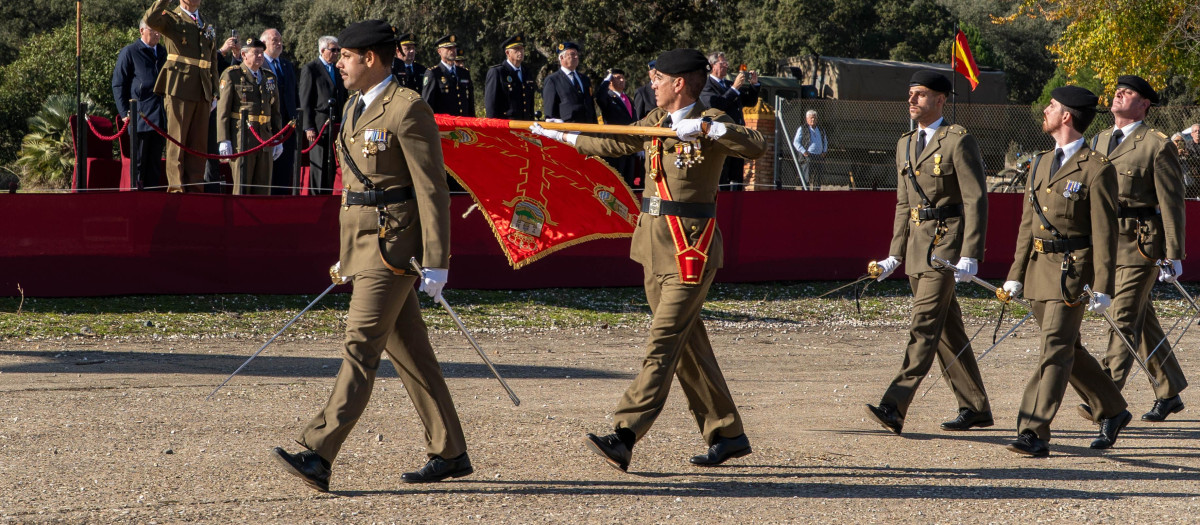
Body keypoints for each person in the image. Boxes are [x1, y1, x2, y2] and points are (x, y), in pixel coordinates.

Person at [530, 48, 765, 472]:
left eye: (657, 78)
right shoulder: (656, 122)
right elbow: (615, 140)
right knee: (687, 345)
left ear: (679, 83)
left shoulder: (713, 117)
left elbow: (754, 145)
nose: (650, 84)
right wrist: (557, 134)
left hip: (691, 250)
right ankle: (727, 433)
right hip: (653, 247)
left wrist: (708, 129)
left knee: (661, 345)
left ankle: (624, 435)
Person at [272, 19, 469, 492]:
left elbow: (432, 190)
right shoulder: (353, 107)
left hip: (394, 249)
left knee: (360, 345)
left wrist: (438, 260)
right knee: (412, 354)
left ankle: (319, 453)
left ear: (371, 59)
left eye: (346, 56)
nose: (338, 63)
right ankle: (450, 450)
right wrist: (345, 255)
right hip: (363, 246)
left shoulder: (408, 108)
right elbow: (353, 193)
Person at [1001, 85, 1132, 457]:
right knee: (1067, 347)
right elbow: (1028, 224)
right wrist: (1014, 273)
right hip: (1038, 270)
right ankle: (1113, 408)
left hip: (1071, 274)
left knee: (1054, 350)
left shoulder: (1096, 168)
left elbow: (1105, 233)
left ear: (1067, 116)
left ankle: (1033, 430)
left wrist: (1103, 285)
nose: (1045, 109)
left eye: (1052, 106)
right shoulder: (1041, 162)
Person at [864, 71, 993, 436]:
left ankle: (894, 405)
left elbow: (975, 198)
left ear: (940, 99)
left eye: (920, 95)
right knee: (947, 331)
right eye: (910, 94)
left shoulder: (957, 140)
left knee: (923, 327)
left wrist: (971, 252)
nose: (912, 101)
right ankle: (975, 406)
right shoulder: (905, 143)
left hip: (947, 246)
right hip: (919, 249)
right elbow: (904, 203)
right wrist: (894, 254)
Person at [1078, 75, 1188, 422]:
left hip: (1140, 243)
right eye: (1118, 91)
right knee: (1142, 320)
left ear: (1144, 105)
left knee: (1121, 319)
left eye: (1129, 93)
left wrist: (1174, 253)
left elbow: (1173, 203)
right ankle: (1168, 388)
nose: (1119, 94)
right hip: (1106, 242)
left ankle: (1105, 399)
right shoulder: (1098, 140)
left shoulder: (1155, 144)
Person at [144, 0, 224, 192]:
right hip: (179, 85)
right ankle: (177, 190)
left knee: (198, 145)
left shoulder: (206, 23)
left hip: (202, 88)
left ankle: (195, 189)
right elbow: (150, 19)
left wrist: (214, 90)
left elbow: (211, 59)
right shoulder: (171, 17)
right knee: (177, 142)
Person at [216, 38, 282, 195]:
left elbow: (275, 110)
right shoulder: (232, 75)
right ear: (244, 55)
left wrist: (278, 138)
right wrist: (224, 139)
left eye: (261, 52)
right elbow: (223, 110)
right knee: (242, 186)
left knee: (263, 186)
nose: (260, 56)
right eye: (256, 52)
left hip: (265, 137)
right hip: (242, 138)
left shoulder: (269, 77)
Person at [112, 19, 167, 190]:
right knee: (139, 166)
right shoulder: (130, 52)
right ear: (142, 31)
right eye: (153, 30)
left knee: (154, 166)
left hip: (160, 118)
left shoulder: (163, 52)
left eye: (159, 30)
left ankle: (152, 204)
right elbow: (118, 84)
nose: (157, 34)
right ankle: (136, 202)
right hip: (140, 118)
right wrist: (124, 113)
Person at [700, 52, 760, 190]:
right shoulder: (706, 86)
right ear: (712, 66)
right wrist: (734, 88)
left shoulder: (728, 84)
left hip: (737, 136)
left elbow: (749, 101)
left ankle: (736, 205)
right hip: (721, 137)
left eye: (726, 63)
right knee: (723, 174)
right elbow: (717, 105)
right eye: (722, 63)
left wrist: (754, 85)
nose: (726, 66)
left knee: (737, 175)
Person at [298, 35, 347, 195]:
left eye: (338, 50)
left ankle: (327, 196)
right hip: (319, 125)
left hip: (335, 124)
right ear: (322, 50)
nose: (336, 53)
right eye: (333, 50)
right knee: (319, 164)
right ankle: (316, 198)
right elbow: (305, 100)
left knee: (331, 165)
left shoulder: (337, 69)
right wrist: (308, 126)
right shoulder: (311, 68)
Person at [261, 28, 299, 195]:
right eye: (274, 40)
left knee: (285, 168)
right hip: (268, 124)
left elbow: (294, 94)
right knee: (269, 168)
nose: (279, 43)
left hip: (288, 125)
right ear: (263, 43)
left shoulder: (287, 65)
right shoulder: (259, 64)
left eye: (280, 39)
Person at [595, 68, 641, 187]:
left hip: (630, 143)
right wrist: (605, 81)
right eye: (617, 78)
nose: (622, 80)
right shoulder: (608, 97)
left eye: (623, 78)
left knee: (628, 179)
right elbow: (599, 97)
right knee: (617, 178)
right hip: (616, 142)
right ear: (610, 81)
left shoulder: (627, 98)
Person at [483, 34, 536, 120]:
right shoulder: (498, 72)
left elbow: (530, 104)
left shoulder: (527, 72)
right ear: (507, 53)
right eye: (517, 49)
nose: (520, 52)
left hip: (525, 125)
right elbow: (491, 105)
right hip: (506, 125)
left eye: (522, 48)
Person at [542, 42, 596, 124]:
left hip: (588, 127)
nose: (576, 56)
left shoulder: (584, 79)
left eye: (577, 54)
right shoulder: (553, 80)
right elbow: (550, 113)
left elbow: (590, 105)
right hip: (568, 129)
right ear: (561, 57)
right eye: (572, 54)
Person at [421, 34, 475, 116]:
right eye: (448, 48)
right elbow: (427, 104)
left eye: (454, 48)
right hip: (444, 126)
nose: (452, 51)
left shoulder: (464, 73)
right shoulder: (434, 73)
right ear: (439, 51)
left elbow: (470, 103)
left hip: (463, 125)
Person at [791, 109, 828, 189]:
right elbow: (796, 142)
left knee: (817, 179)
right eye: (811, 118)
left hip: (819, 156)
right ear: (807, 119)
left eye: (814, 118)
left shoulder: (821, 129)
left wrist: (824, 151)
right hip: (807, 157)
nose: (813, 119)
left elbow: (825, 141)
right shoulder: (802, 128)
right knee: (806, 178)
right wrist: (804, 151)